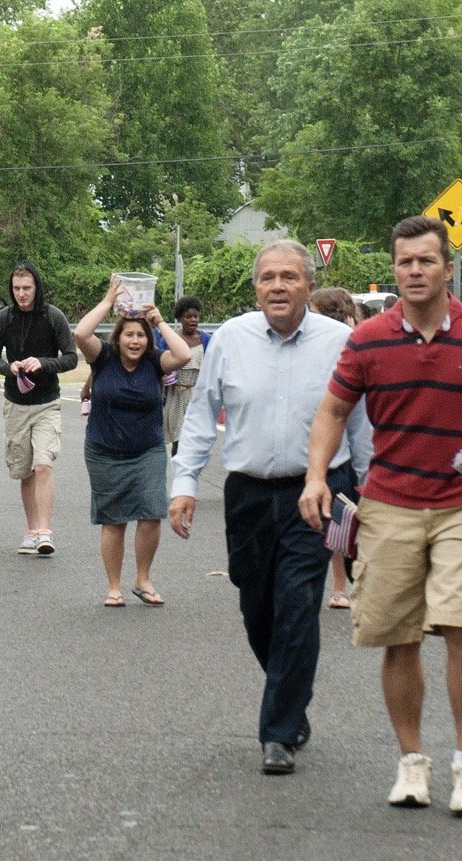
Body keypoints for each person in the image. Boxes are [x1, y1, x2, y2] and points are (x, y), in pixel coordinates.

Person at [299, 216, 462, 814]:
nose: (415, 271)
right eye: (405, 262)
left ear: (447, 268)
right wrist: (317, 477)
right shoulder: (369, 339)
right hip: (389, 504)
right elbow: (331, 412)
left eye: (426, 261)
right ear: (395, 269)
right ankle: (412, 764)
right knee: (397, 637)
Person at [168, 240, 371, 776]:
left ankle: (278, 731)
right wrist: (184, 483)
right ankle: (291, 695)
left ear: (308, 284)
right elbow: (200, 415)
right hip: (249, 493)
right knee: (256, 604)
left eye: (289, 277)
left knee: (298, 603)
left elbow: (360, 425)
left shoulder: (340, 342)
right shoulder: (231, 339)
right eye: (267, 278)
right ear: (255, 286)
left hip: (321, 490)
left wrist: (369, 493)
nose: (277, 286)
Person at [75, 279, 191, 608]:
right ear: (118, 337)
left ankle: (143, 578)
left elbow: (182, 354)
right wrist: (108, 300)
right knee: (114, 520)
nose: (135, 341)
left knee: (151, 512)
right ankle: (114, 586)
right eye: (129, 334)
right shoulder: (103, 358)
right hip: (104, 451)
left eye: (141, 335)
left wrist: (158, 321)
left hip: (148, 450)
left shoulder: (155, 361)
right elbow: (81, 334)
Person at [0, 261, 78, 556]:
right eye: (16, 289)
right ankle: (31, 529)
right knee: (25, 471)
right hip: (15, 403)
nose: (22, 294)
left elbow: (72, 358)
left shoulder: (53, 317)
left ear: (36, 287)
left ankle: (45, 531)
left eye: (27, 288)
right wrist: (8, 367)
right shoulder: (3, 318)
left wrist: (43, 363)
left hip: (47, 403)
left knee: (43, 465)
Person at [307, 286, 362, 610]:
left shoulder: (345, 345)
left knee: (339, 518)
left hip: (344, 450)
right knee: (338, 518)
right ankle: (339, 586)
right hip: (328, 445)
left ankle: (340, 585)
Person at [159, 296, 210, 456]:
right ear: (180, 318)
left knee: (195, 439)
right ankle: (180, 474)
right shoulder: (170, 339)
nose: (193, 320)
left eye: (196, 316)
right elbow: (160, 363)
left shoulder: (206, 339)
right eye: (188, 317)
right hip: (175, 394)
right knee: (179, 439)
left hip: (197, 394)